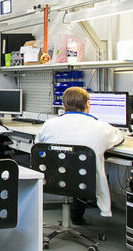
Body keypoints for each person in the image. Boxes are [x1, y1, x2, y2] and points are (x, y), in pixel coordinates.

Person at [35, 86, 125, 225]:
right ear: (88, 104)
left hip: (53, 179)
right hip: (84, 181)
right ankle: (76, 216)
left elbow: (38, 146)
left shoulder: (49, 125)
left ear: (63, 105)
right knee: (82, 170)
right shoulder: (102, 128)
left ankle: (74, 216)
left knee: (72, 169)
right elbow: (120, 139)